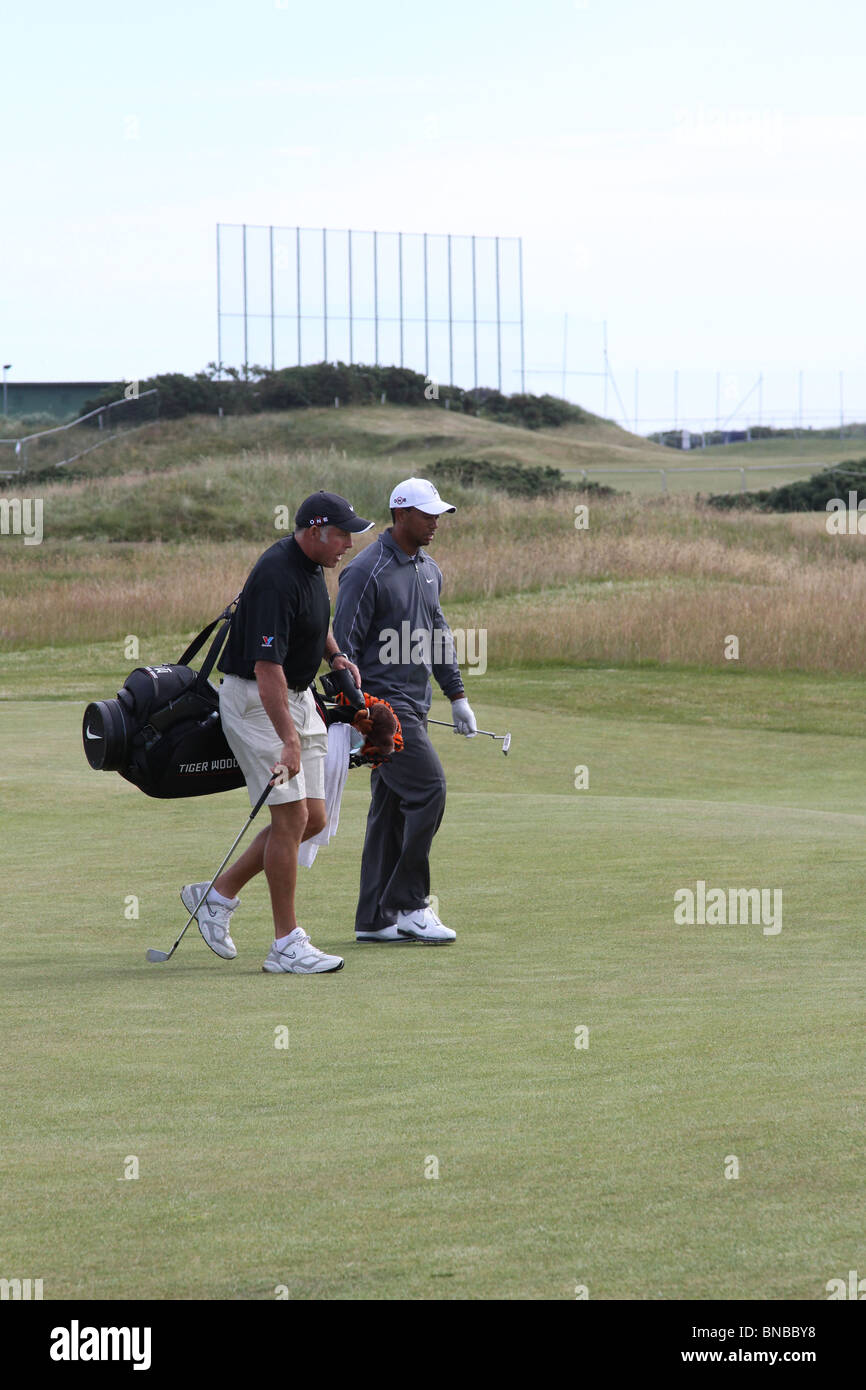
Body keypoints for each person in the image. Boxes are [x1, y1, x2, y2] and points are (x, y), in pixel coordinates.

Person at [180, 491, 373, 973]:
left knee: (312, 819)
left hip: (297, 697)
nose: (348, 543)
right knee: (289, 820)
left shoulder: (312, 566)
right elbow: (266, 670)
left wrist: (336, 655)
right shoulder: (275, 576)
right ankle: (286, 944)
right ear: (313, 531)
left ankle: (216, 895)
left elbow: (315, 622)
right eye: (342, 534)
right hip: (257, 705)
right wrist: (287, 740)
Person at [332, 476, 477, 945]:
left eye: (439, 514)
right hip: (381, 710)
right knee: (430, 789)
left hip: (416, 704)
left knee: (391, 808)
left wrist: (457, 697)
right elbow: (342, 646)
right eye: (426, 513)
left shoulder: (429, 567)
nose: (435, 522)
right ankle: (411, 904)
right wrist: (356, 714)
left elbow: (438, 635)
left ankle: (374, 917)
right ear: (400, 514)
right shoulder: (365, 570)